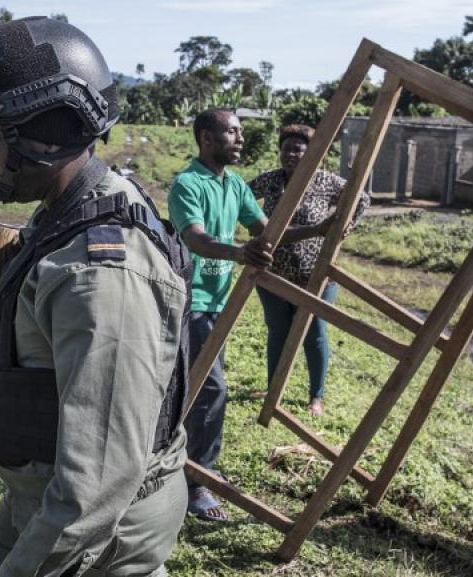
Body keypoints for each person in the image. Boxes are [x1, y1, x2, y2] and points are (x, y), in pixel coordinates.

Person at [0, 17, 203, 577]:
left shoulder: (101, 271)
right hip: (39, 499)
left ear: (44, 134)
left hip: (100, 530)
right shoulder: (68, 214)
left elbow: (98, 484)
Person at [167, 110, 319, 522]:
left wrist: (320, 230)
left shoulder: (234, 184)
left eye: (241, 132)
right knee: (209, 389)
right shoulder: (187, 184)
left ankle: (182, 467)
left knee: (195, 387)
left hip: (218, 304)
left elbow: (266, 231)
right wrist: (238, 252)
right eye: (233, 131)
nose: (240, 139)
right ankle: (199, 482)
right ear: (207, 139)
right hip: (189, 300)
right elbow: (195, 238)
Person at [249, 124, 370, 417]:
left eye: (298, 150)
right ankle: (272, 387)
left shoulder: (326, 183)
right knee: (277, 331)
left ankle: (316, 397)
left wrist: (345, 227)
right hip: (273, 272)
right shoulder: (270, 181)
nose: (290, 154)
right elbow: (242, 196)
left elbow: (362, 198)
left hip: (315, 275)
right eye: (286, 148)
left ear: (312, 154)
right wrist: (253, 225)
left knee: (314, 334)